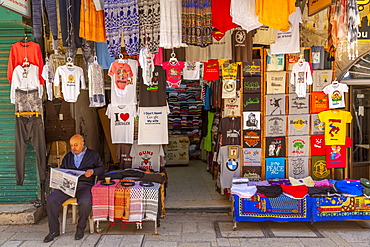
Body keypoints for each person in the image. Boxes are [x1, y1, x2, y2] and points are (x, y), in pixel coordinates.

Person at [43, 134, 105, 243]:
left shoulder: (93, 155)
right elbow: (64, 169)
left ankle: (80, 229)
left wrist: (92, 172)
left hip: (84, 185)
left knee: (86, 202)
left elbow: (101, 168)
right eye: (71, 145)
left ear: (82, 143)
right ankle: (53, 230)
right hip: (68, 186)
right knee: (51, 199)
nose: (73, 148)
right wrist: (59, 171)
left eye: (75, 145)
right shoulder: (68, 156)